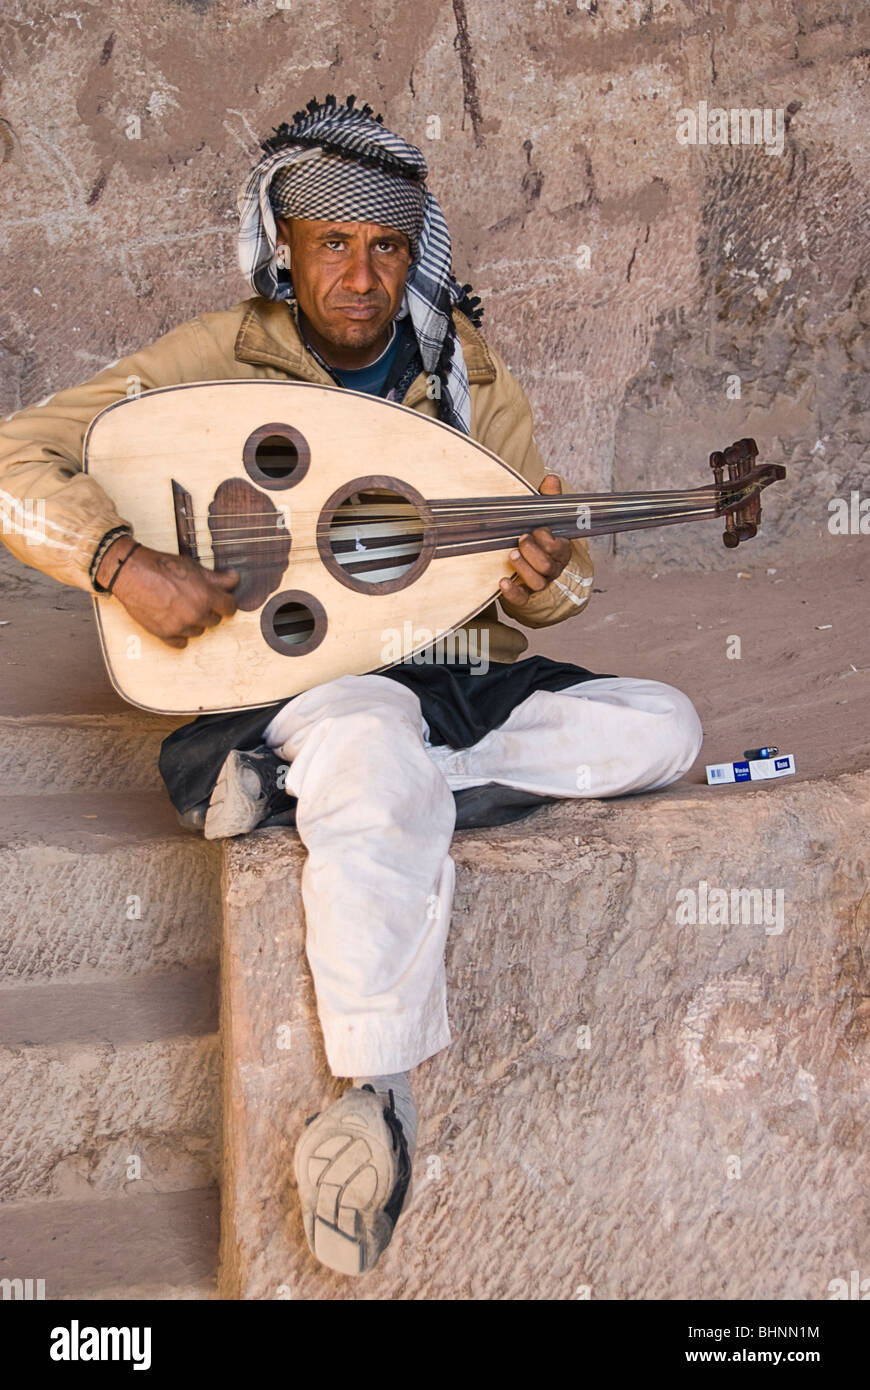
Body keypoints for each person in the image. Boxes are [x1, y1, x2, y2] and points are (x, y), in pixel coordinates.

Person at [0, 95, 703, 1279]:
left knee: (661, 730)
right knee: (364, 733)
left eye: (386, 247)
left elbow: (555, 572)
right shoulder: (214, 359)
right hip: (315, 678)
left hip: (449, 679)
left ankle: (318, 784)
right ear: (287, 248)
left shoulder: (461, 371)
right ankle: (375, 1101)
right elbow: (13, 456)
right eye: (334, 243)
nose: (363, 276)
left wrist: (541, 577)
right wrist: (118, 562)